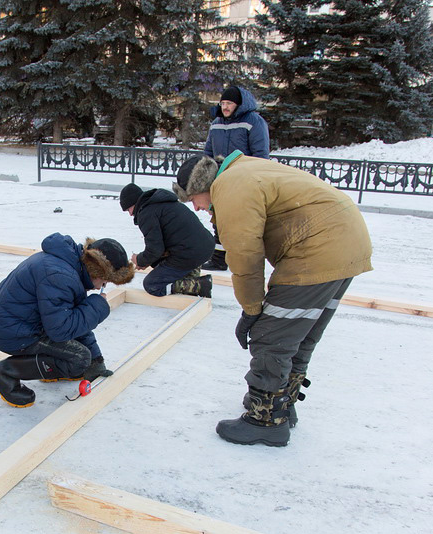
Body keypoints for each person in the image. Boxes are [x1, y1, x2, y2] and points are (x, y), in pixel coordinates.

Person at [173, 151, 372, 447]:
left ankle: (265, 420)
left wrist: (252, 310)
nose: (199, 209)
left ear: (202, 187)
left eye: (194, 201)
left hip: (316, 249)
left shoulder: (229, 186)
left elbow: (245, 256)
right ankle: (281, 403)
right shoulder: (245, 170)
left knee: (272, 336)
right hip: (346, 244)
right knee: (298, 335)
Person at [0, 234, 135, 407]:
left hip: (22, 324)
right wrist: (97, 306)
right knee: (79, 358)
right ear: (96, 270)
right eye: (105, 281)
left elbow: (71, 319)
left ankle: (53, 369)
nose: (101, 287)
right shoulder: (60, 276)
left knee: (82, 360)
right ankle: (4, 372)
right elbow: (61, 330)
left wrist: (96, 361)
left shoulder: (71, 266)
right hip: (13, 333)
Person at [201, 85, 271, 272]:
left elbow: (260, 154)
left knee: (242, 222)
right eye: (223, 103)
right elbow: (208, 151)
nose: (225, 107)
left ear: (238, 105)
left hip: (243, 180)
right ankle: (219, 259)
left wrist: (256, 178)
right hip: (220, 179)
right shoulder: (216, 122)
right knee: (219, 219)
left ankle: (246, 262)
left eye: (229, 103)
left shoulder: (254, 121)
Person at [119, 182, 214, 298]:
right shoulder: (161, 203)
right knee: (159, 264)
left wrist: (139, 260)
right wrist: (147, 261)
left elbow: (155, 249)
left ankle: (199, 285)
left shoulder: (146, 213)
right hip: (204, 247)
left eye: (128, 209)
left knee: (152, 284)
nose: (130, 214)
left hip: (190, 253)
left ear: (133, 203)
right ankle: (190, 274)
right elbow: (165, 243)